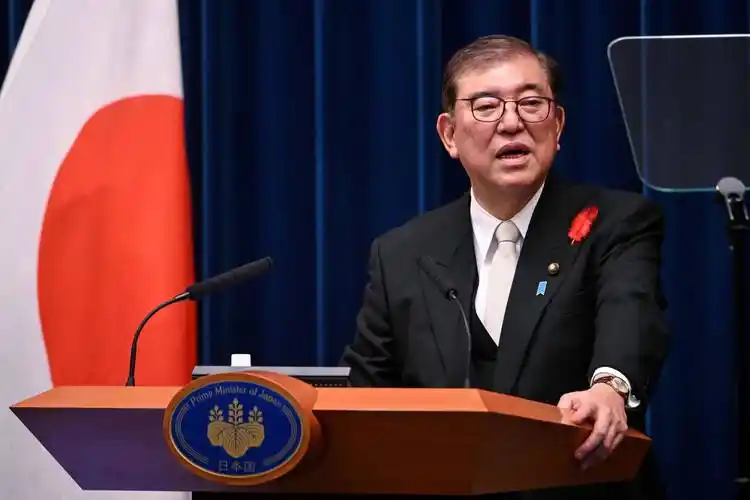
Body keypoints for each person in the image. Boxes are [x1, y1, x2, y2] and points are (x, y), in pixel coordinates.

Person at [340, 34, 671, 499]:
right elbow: (364, 395)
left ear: (558, 124)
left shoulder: (617, 222)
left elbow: (631, 313)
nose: (512, 123)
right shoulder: (402, 253)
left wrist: (609, 388)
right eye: (486, 106)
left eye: (532, 103)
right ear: (449, 135)